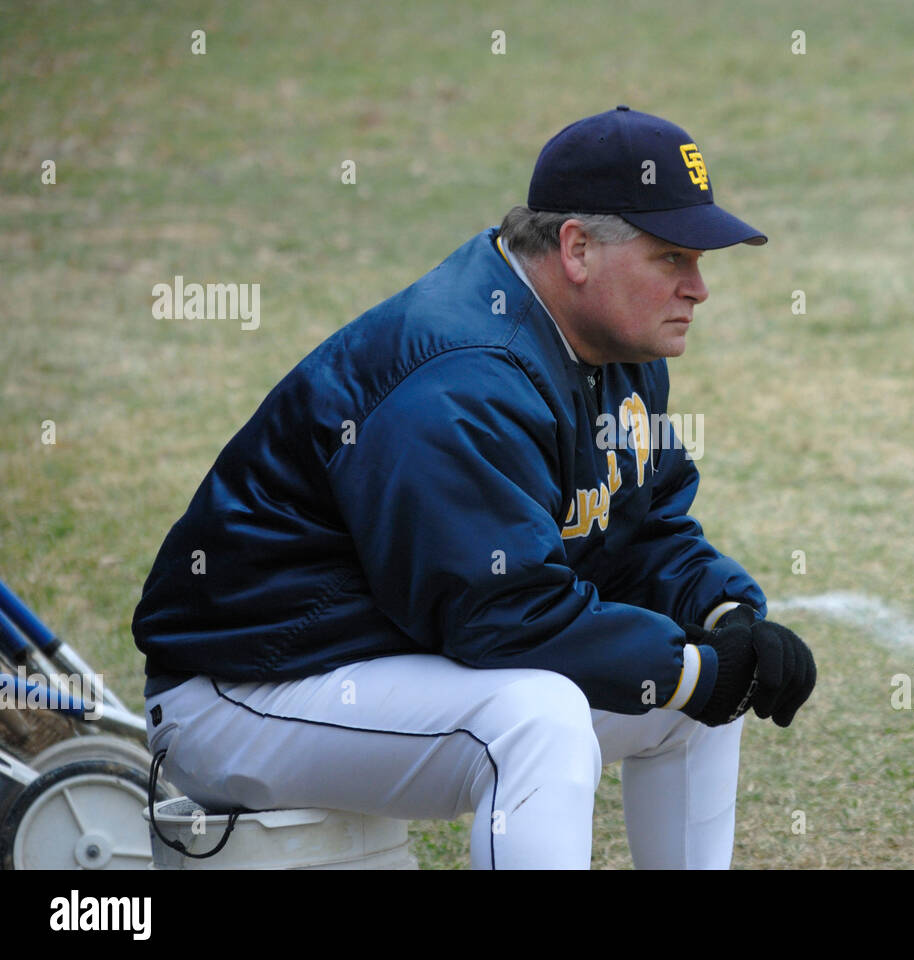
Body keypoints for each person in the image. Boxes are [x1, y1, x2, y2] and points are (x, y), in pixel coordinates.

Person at [132, 105, 816, 869]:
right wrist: (691, 669)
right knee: (541, 715)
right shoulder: (461, 373)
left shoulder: (612, 341)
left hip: (389, 660)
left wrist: (723, 616)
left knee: (697, 683)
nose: (699, 288)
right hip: (247, 689)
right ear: (578, 248)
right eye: (671, 258)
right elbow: (497, 613)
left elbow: (644, 525)